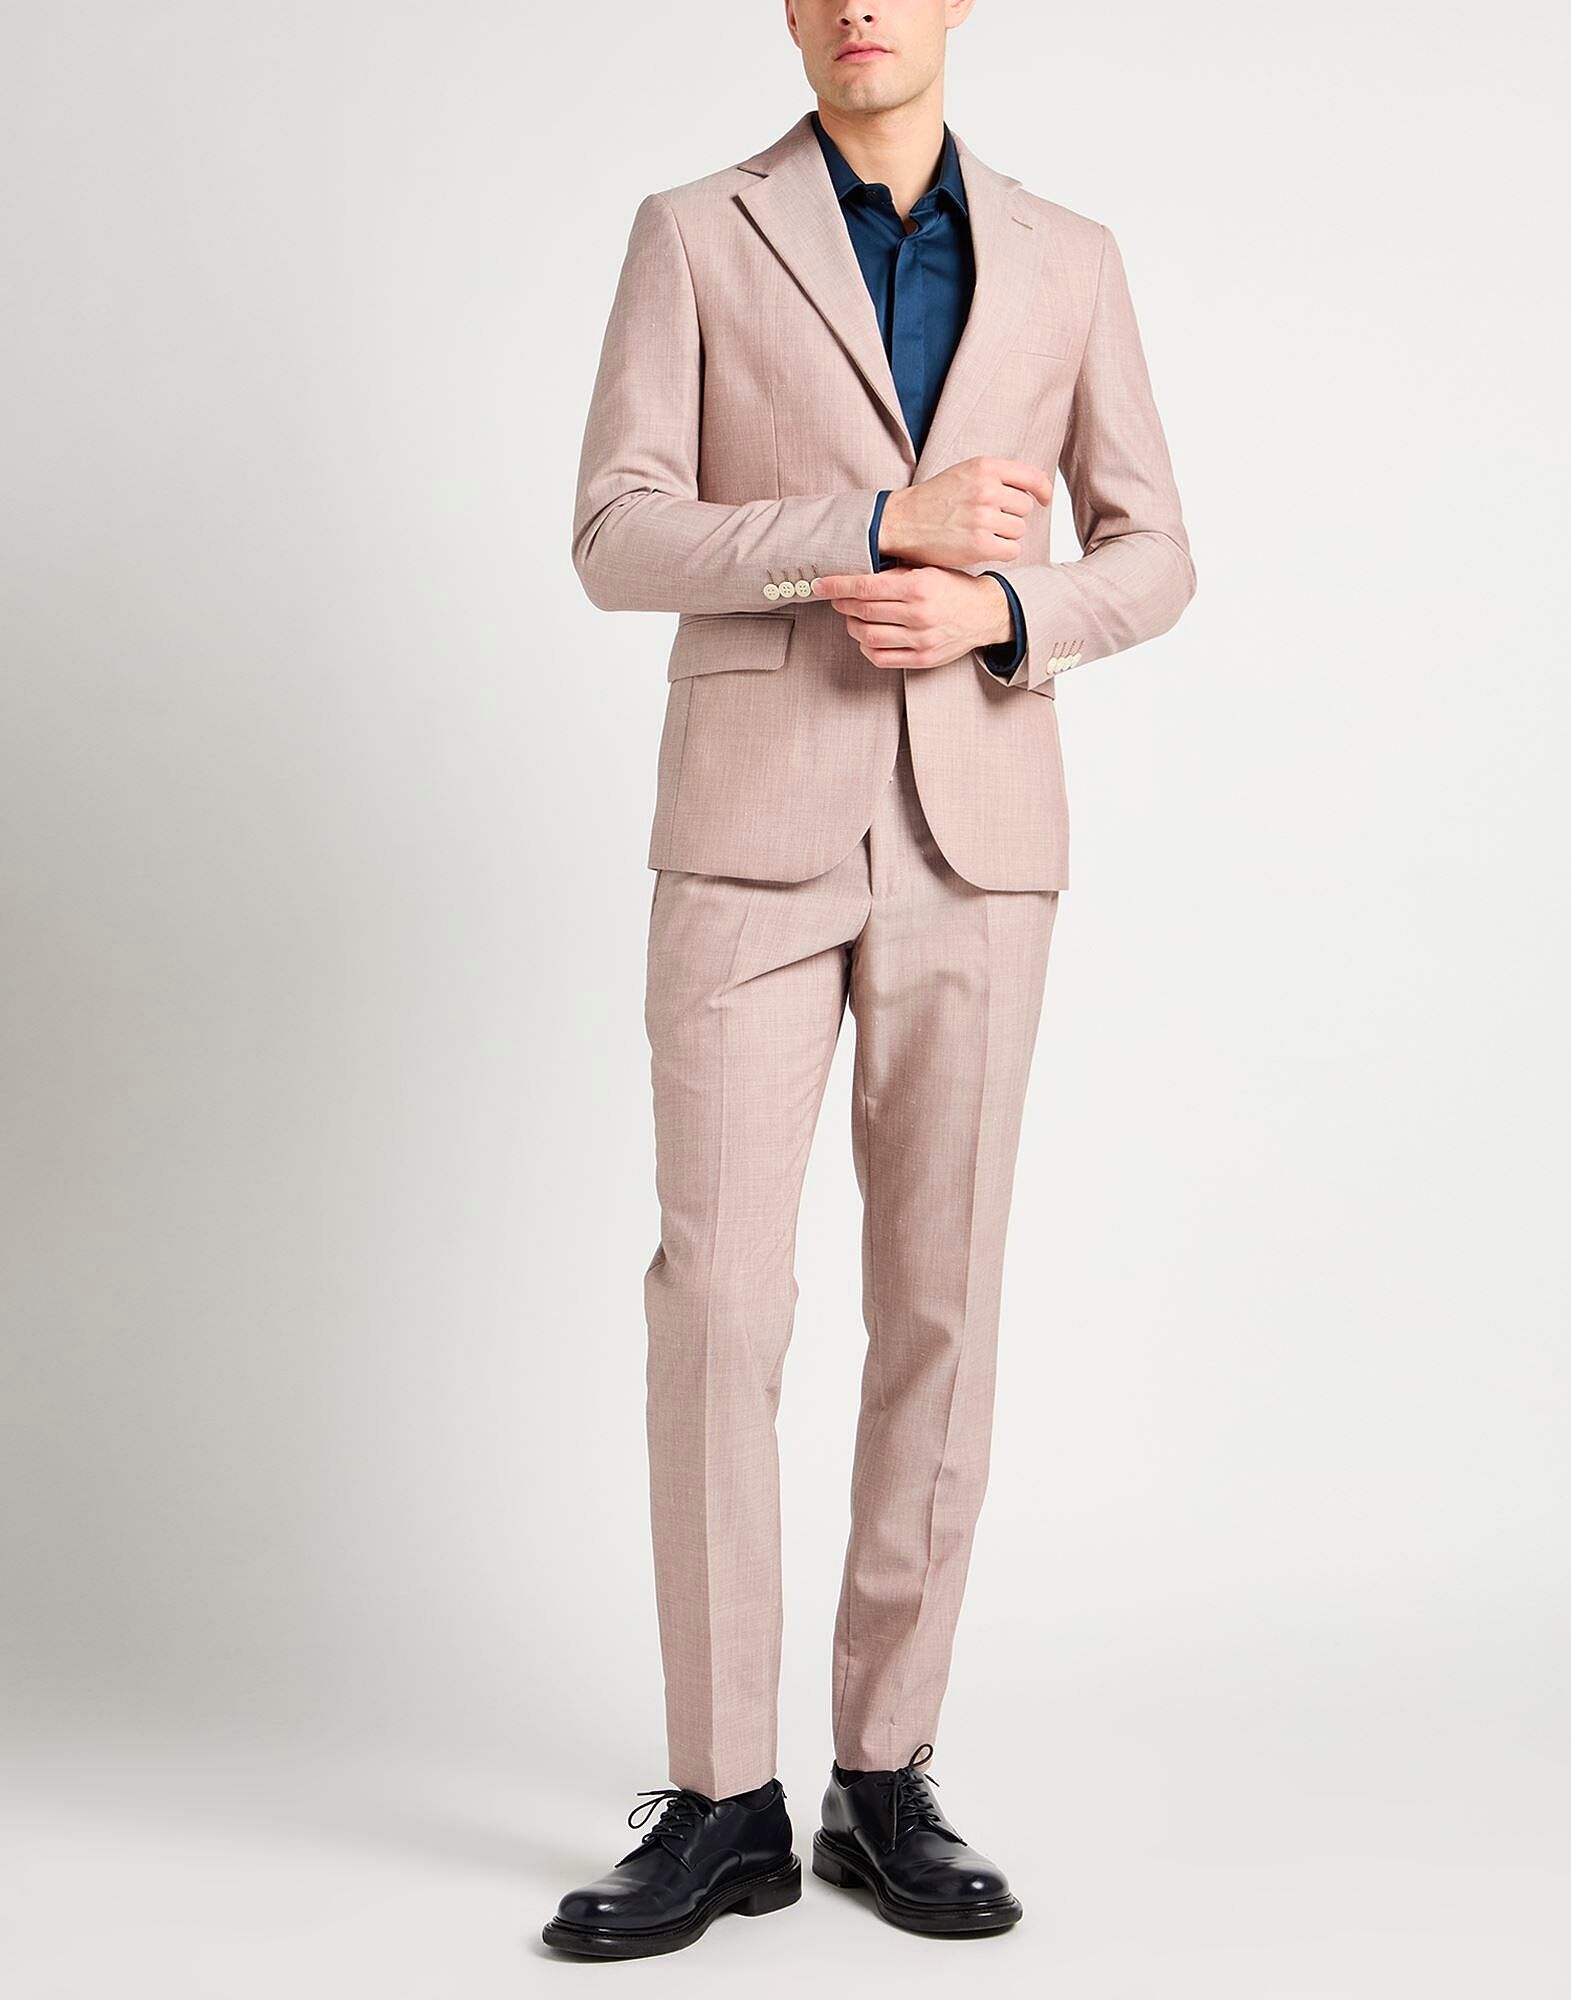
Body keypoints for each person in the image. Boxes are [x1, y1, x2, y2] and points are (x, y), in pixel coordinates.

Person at [547, 0, 1195, 1959]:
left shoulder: (1071, 256)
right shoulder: (694, 231)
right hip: (749, 828)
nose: (858, 10)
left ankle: (883, 1773)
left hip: (978, 837)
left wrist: (999, 602)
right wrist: (866, 525)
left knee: (941, 1307)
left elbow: (1155, 553)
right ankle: (722, 1796)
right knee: (718, 1304)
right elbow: (614, 535)